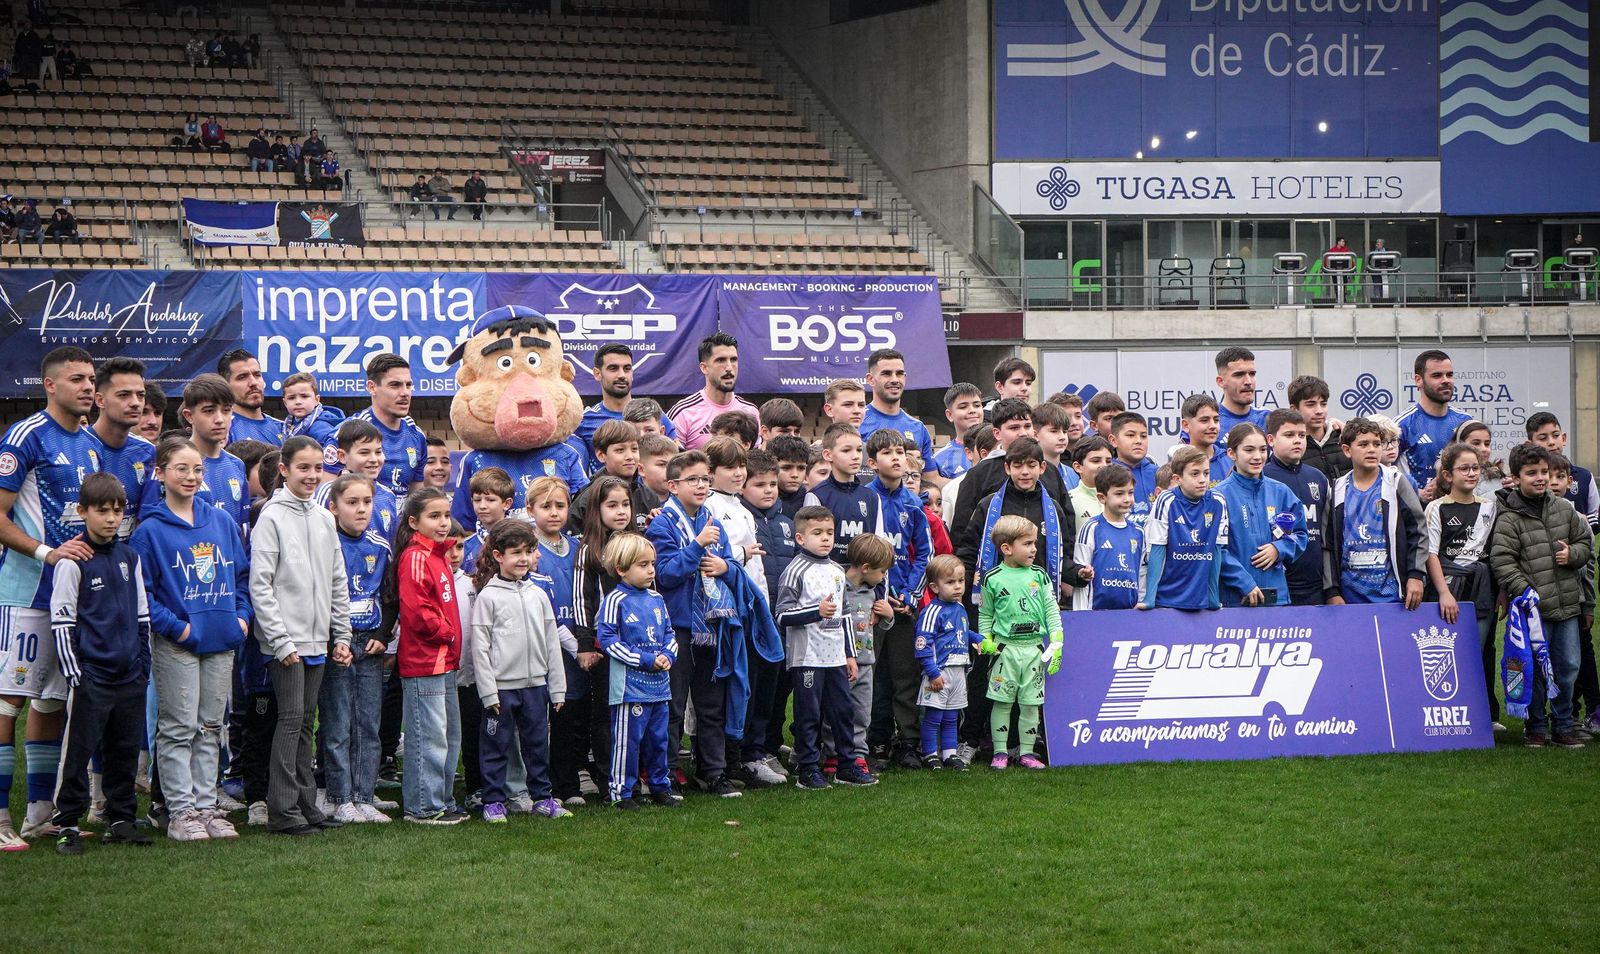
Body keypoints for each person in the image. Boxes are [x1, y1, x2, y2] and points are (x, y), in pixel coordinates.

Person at [0, 346, 100, 846]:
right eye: (77, 379)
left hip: (71, 595)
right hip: (25, 591)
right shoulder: (25, 437)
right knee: (7, 701)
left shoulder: (88, 442)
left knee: (52, 701)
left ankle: (38, 813)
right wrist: (46, 553)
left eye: (91, 379)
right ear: (50, 385)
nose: (87, 387)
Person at [130, 437, 251, 842]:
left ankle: (207, 806)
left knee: (211, 727)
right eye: (181, 468)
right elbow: (143, 594)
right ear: (160, 473)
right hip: (177, 644)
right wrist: (176, 627)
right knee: (178, 726)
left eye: (197, 469)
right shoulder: (149, 531)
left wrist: (242, 619)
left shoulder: (221, 521)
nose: (191, 477)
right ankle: (180, 812)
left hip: (222, 641)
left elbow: (242, 578)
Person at [48, 473, 155, 855]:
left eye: (117, 511)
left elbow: (142, 616)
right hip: (91, 677)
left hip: (130, 675)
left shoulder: (129, 556)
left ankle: (121, 818)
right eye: (101, 511)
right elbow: (62, 622)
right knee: (78, 751)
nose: (111, 519)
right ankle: (67, 824)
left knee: (124, 750)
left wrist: (142, 665)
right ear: (82, 511)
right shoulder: (71, 561)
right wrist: (77, 675)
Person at [250, 436, 349, 835]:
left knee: (307, 722)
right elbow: (261, 585)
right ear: (284, 470)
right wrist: (281, 641)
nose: (311, 475)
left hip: (317, 642)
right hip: (285, 643)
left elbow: (337, 580)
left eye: (316, 468)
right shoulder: (271, 517)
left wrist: (339, 633)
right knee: (289, 722)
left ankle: (308, 806)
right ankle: (282, 810)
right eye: (302, 468)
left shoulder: (325, 518)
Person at [646, 451, 739, 796]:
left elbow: (727, 561)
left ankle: (713, 770)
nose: (701, 485)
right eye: (693, 480)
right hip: (678, 626)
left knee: (711, 702)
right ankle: (666, 772)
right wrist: (697, 547)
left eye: (705, 479)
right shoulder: (663, 524)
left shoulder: (711, 519)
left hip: (712, 623)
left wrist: (725, 567)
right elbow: (665, 574)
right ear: (672, 486)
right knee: (673, 702)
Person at [1491, 442, 1592, 748]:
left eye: (1544, 472)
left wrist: (1573, 554)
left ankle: (1563, 724)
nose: (1540, 478)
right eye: (1531, 472)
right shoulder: (1509, 518)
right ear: (1516, 477)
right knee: (1533, 669)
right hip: (1532, 612)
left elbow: (1586, 545)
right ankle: (1535, 725)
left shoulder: (1565, 510)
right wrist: (1525, 591)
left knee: (1569, 666)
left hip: (1567, 608)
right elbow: (1502, 561)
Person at [470, 520, 572, 822]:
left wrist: (557, 687)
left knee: (538, 745)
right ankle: (493, 800)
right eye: (516, 553)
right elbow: (480, 648)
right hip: (501, 688)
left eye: (529, 551)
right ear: (499, 556)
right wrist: (489, 692)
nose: (523, 559)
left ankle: (542, 797)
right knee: (495, 745)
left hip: (536, 686)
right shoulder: (488, 596)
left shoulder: (538, 594)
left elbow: (552, 642)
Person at [777, 505, 877, 790]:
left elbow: (845, 614)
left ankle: (847, 765)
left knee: (843, 711)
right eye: (817, 533)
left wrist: (850, 654)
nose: (825, 539)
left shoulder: (836, 570)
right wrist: (814, 612)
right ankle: (807, 769)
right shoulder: (795, 571)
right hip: (807, 657)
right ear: (800, 539)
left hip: (835, 656)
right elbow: (782, 615)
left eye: (830, 533)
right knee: (809, 714)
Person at [318, 473, 392, 824]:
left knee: (368, 723)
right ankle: (339, 796)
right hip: (337, 644)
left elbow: (390, 596)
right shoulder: (325, 544)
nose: (361, 509)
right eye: (352, 503)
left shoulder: (380, 545)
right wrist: (336, 639)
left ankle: (364, 796)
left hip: (370, 644)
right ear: (333, 508)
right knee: (338, 722)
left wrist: (383, 630)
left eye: (367, 502)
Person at [392, 488, 465, 824]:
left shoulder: (438, 555)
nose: (443, 523)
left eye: (446, 516)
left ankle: (443, 799)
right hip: (425, 661)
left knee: (449, 736)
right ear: (414, 521)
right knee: (429, 736)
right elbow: (418, 612)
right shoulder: (416, 557)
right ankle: (424, 806)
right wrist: (447, 634)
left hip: (445, 660)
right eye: (434, 516)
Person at [595, 532, 680, 810]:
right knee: (628, 743)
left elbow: (669, 632)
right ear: (621, 569)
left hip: (659, 687)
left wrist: (668, 654)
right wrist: (644, 659)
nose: (651, 570)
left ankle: (660, 786)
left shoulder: (656, 598)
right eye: (643, 565)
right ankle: (622, 792)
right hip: (629, 688)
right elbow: (607, 640)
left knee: (659, 740)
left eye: (652, 563)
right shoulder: (615, 600)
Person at [863, 429, 932, 767]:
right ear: (872, 462)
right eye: (887, 453)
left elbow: (924, 553)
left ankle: (907, 741)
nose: (896, 458)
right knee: (874, 675)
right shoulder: (865, 499)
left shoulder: (913, 503)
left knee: (905, 675)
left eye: (900, 452)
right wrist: (879, 596)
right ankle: (874, 742)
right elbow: (862, 554)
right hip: (874, 605)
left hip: (904, 605)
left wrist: (909, 596)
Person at [1422, 442, 1500, 728]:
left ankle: (1478, 717)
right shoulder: (1436, 508)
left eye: (1475, 468)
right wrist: (1443, 593)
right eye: (1463, 468)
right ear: (1447, 475)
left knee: (1476, 650)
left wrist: (1500, 592)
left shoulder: (1490, 508)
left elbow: (1495, 552)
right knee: (1446, 650)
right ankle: (1441, 712)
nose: (1471, 474)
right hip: (1447, 584)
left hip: (1481, 587)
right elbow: (1431, 553)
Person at [977, 515, 1061, 770]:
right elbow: (985, 614)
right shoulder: (992, 578)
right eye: (1027, 543)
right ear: (1007, 548)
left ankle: (1027, 752)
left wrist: (1057, 642)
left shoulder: (1040, 576)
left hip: (1034, 649)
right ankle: (1000, 751)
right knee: (1002, 702)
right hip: (1006, 651)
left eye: (1035, 543)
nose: (1034, 549)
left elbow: (1051, 610)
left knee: (1031, 703)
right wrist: (986, 640)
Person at [571, 476, 637, 799]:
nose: (621, 511)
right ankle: (605, 773)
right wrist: (585, 644)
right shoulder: (589, 550)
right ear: (597, 510)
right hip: (603, 645)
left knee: (633, 709)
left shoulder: (637, 543)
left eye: (625, 504)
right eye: (612, 505)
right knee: (605, 711)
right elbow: (582, 600)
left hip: (637, 645)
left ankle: (632, 774)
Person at [1323, 418, 1426, 608]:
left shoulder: (1396, 482)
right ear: (1347, 450)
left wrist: (1415, 574)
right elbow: (1328, 544)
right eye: (1363, 444)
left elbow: (1419, 530)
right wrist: (1332, 590)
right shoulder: (1337, 489)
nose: (1372, 449)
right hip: (1349, 598)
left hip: (1392, 595)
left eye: (1376, 444)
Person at [1215, 424, 1306, 607]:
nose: (1258, 456)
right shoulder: (1218, 496)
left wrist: (1279, 548)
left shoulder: (1281, 492)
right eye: (1249, 450)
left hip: (1276, 599)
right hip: (1235, 600)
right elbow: (1215, 551)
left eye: (1263, 450)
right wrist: (1245, 583)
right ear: (1231, 454)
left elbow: (1300, 535)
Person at [1140, 446, 1233, 611]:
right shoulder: (1166, 500)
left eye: (1206, 473)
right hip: (1166, 600)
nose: (1203, 479)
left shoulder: (1218, 501)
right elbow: (1156, 550)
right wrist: (1150, 599)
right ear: (1178, 479)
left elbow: (1216, 551)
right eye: (1195, 474)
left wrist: (1213, 597)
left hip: (1201, 601)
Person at [328, 353, 426, 497]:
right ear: (372, 387)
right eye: (395, 385)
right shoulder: (345, 433)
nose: (405, 393)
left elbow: (417, 498)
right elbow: (325, 497)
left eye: (408, 385)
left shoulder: (417, 436)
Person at [1263, 409, 1333, 606]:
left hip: (1315, 585)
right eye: (1289, 435)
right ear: (1270, 440)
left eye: (1302, 435)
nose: (1297, 440)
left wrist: (1331, 586)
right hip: (1276, 583)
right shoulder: (1262, 477)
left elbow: (1329, 535)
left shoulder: (1317, 477)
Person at [915, 554, 978, 770]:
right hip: (939, 671)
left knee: (952, 716)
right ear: (934, 586)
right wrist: (932, 673)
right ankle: (930, 753)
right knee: (934, 716)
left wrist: (977, 639)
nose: (958, 587)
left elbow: (962, 631)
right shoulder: (932, 611)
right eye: (950, 582)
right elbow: (922, 644)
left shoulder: (960, 608)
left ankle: (950, 753)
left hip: (959, 669)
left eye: (961, 581)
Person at [840, 532, 893, 775]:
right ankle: (834, 754)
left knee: (862, 712)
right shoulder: (838, 586)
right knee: (837, 711)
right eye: (881, 572)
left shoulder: (873, 592)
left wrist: (888, 616)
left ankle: (859, 755)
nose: (883, 578)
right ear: (865, 567)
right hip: (839, 663)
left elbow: (878, 625)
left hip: (865, 663)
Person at [89, 357, 156, 541]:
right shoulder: (77, 446)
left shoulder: (148, 451)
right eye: (124, 395)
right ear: (100, 400)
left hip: (129, 562)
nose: (135, 403)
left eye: (140, 395)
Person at [575, 344, 678, 463]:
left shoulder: (655, 414)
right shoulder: (585, 420)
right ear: (597, 373)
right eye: (613, 368)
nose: (622, 375)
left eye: (627, 369)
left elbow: (676, 459)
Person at [1395, 350, 1472, 499]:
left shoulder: (1465, 421)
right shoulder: (1402, 425)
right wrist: (1418, 494)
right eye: (1437, 375)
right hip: (1418, 517)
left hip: (1459, 513)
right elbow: (1383, 474)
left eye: (1449, 375)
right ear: (1419, 380)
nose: (1446, 380)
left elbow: (1478, 466)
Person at [803, 423, 884, 565]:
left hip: (865, 582)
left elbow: (879, 546)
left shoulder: (872, 497)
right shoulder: (817, 495)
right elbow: (810, 548)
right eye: (846, 450)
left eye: (859, 450)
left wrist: (878, 586)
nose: (855, 456)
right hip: (827, 581)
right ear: (828, 455)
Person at [860, 349, 939, 485]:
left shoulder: (918, 427)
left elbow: (931, 479)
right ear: (870, 379)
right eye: (886, 374)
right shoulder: (858, 421)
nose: (895, 379)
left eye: (899, 374)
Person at [1071, 465, 1144, 611]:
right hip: (1096, 614)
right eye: (1119, 494)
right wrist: (1081, 615)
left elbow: (1142, 573)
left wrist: (1141, 604)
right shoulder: (1091, 528)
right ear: (1101, 497)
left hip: (1129, 614)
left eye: (1130, 493)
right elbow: (1083, 575)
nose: (1127, 499)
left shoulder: (1138, 532)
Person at [668, 333, 758, 451]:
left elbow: (756, 462)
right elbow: (671, 462)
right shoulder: (683, 412)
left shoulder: (751, 412)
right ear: (704, 367)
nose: (729, 367)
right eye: (721, 360)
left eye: (733, 360)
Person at [1524, 412, 1599, 531]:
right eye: (1543, 438)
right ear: (1530, 444)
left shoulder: (1584, 476)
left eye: (1555, 435)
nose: (1551, 442)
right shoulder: (1526, 480)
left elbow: (1596, 515)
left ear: (1563, 438)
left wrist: (1582, 522)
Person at [1288, 375, 1350, 481]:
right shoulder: (1291, 448)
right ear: (1294, 409)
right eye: (1311, 405)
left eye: (1323, 404)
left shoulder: (1344, 436)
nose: (1319, 411)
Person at [218, 349, 282, 446]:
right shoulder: (222, 430)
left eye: (257, 375)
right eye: (242, 377)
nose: (253, 382)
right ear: (225, 385)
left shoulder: (283, 428)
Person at [1109, 411, 1158, 529]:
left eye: (1143, 436)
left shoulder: (1157, 473)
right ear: (1113, 440)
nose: (1138, 441)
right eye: (1130, 435)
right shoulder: (1107, 474)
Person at [933, 383, 986, 480]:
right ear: (949, 415)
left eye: (977, 405)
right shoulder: (939, 459)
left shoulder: (1000, 447)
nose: (972, 410)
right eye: (963, 407)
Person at [1212, 347, 1270, 435]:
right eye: (1239, 375)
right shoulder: (1210, 423)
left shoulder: (1269, 419)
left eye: (1252, 374)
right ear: (1221, 381)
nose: (1248, 381)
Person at [280, 371, 345, 449]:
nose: (298, 402)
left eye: (304, 396)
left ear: (316, 400)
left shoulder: (320, 427)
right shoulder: (287, 426)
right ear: (285, 403)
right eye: (291, 398)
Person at [1180, 394, 1230, 483]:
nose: (1213, 426)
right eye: (1204, 420)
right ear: (1186, 425)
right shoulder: (1177, 465)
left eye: (1216, 420)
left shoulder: (1230, 462)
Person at [1067, 435, 1113, 529]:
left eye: (1108, 461)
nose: (1104, 465)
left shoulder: (1121, 496)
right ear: (1078, 467)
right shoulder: (1069, 500)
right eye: (1096, 461)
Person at [767, 435, 811, 520]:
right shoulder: (760, 498)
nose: (795, 474)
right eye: (786, 468)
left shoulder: (810, 498)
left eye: (801, 468)